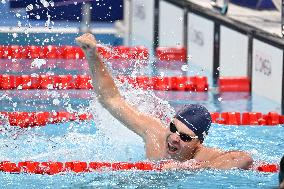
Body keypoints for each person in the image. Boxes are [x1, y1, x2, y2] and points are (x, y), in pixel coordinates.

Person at [75, 33, 253, 170]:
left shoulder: (201, 156)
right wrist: (91, 54)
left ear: (198, 143)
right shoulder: (154, 133)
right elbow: (111, 99)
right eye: (174, 128)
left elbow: (244, 159)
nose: (174, 138)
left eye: (184, 137)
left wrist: (191, 168)